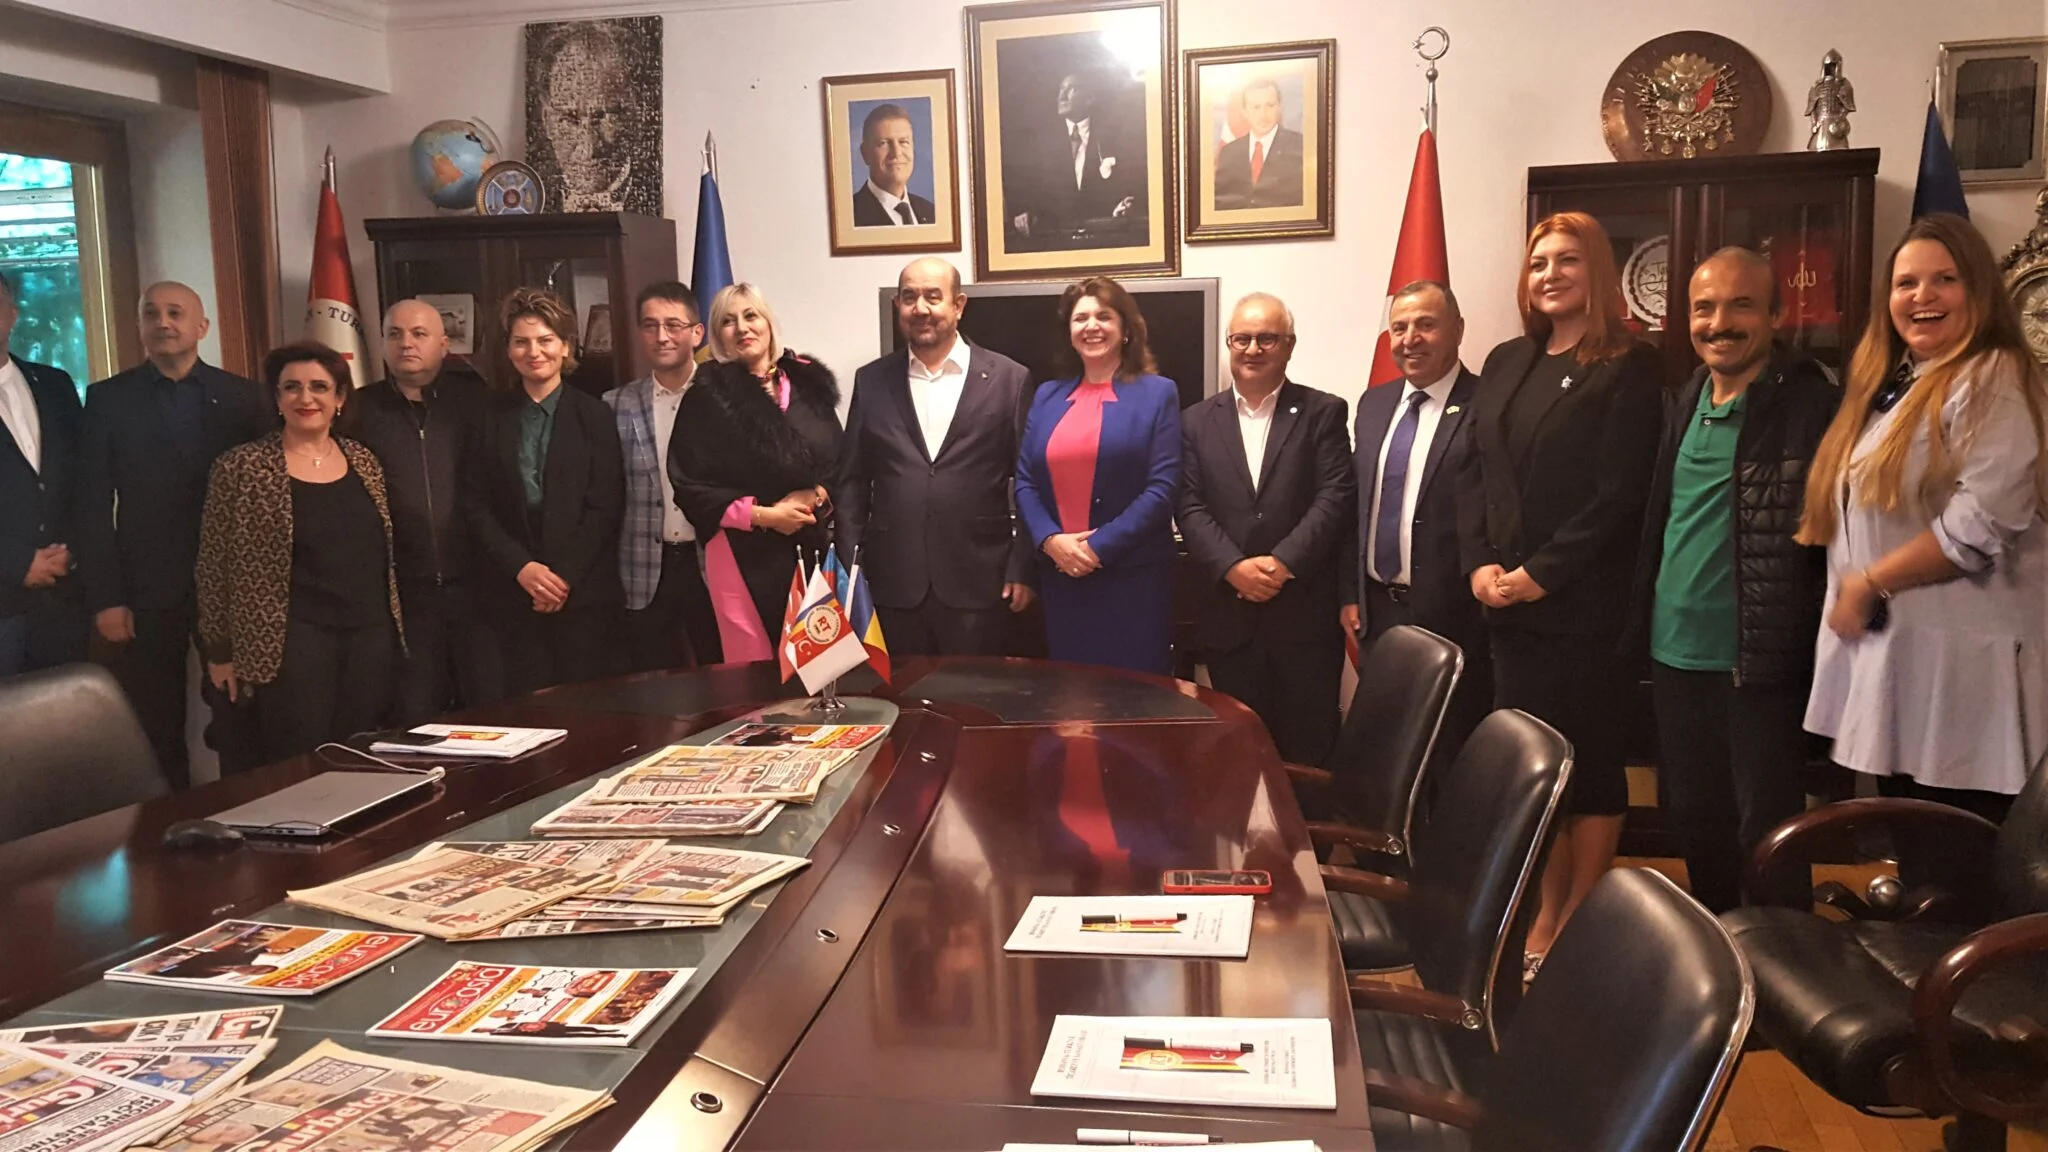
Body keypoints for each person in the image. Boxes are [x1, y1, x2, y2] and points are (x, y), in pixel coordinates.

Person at [1457, 211, 1663, 972]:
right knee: (1537, 766)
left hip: (1583, 609)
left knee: (1592, 763)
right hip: (1508, 609)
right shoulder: (1508, 360)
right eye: (1539, 262)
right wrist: (1480, 565)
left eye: (1568, 260)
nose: (1550, 274)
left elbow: (1619, 495)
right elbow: (1475, 475)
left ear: (1597, 271)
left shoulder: (1629, 366)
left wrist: (1541, 574)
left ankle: (1580, 911)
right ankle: (1544, 906)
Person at [1800, 213, 2048, 826]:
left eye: (1945, 279)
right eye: (1906, 283)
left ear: (1979, 291)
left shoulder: (1994, 375)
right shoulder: (1903, 384)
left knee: (1960, 857)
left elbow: (1982, 523)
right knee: (1918, 851)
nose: (1922, 296)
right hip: (1907, 667)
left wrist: (1869, 582)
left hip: (1966, 681)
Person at [1625, 248, 1839, 914]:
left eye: (1740, 305)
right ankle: (1720, 948)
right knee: (1695, 817)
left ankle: (1785, 961)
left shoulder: (1810, 404)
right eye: (1704, 308)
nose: (1719, 323)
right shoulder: (1686, 397)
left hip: (1758, 657)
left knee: (1770, 835)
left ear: (1776, 314)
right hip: (1674, 652)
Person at [76, 282, 272, 787]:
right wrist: (107, 598)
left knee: (238, 715)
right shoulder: (107, 400)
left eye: (175, 313)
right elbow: (91, 506)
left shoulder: (245, 398)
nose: (163, 322)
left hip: (230, 588)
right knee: (155, 721)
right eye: (152, 313)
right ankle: (167, 822)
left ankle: (244, 810)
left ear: (202, 327)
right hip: (145, 587)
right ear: (139, 326)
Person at [196, 342, 402, 763]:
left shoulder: (364, 461)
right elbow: (212, 566)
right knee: (301, 761)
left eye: (319, 387)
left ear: (340, 398)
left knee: (360, 759)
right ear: (276, 398)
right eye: (291, 387)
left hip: (369, 638)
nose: (305, 397)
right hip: (290, 644)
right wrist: (218, 652)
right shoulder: (241, 467)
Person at [1176, 292, 1352, 763]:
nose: (1253, 349)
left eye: (1267, 339)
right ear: (1229, 345)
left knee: (1309, 750)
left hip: (1303, 617)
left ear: (1289, 345)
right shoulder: (1194, 421)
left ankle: (1306, 818)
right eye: (1242, 339)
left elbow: (1335, 496)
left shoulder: (1323, 412)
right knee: (1239, 752)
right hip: (1228, 618)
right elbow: (1189, 505)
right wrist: (1232, 567)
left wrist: (1283, 562)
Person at [838, 258, 1035, 655]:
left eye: (933, 296)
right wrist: (850, 571)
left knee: (975, 691)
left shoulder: (1010, 379)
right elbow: (851, 482)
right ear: (897, 305)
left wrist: (1024, 567)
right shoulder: (871, 380)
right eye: (909, 297)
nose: (921, 308)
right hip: (893, 582)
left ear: (958, 305)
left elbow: (1032, 484)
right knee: (903, 691)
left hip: (980, 580)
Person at [1340, 280, 1491, 763]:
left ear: (1458, 330)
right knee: (1388, 750)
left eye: (1426, 325)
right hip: (1379, 612)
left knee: (1450, 752)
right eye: (1400, 327)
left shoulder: (1487, 403)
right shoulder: (1373, 403)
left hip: (1454, 613)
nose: (1410, 339)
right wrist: (1350, 593)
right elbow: (1356, 505)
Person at [463, 289, 625, 696]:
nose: (533, 352)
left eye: (545, 340)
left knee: (588, 709)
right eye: (521, 341)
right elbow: (476, 504)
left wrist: (562, 577)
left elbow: (605, 505)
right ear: (509, 350)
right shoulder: (488, 416)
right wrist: (523, 568)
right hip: (511, 590)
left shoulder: (595, 414)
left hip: (582, 593)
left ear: (565, 346)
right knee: (522, 708)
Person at [1015, 277, 1181, 675]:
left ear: (1126, 329)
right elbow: (1024, 480)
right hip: (1062, 579)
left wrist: (1096, 547)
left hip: (1132, 581)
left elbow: (1163, 487)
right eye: (1081, 318)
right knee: (1072, 695)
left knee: (1137, 697)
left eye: (1104, 316)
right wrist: (1050, 541)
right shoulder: (1047, 395)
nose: (1092, 326)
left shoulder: (1159, 393)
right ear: (1069, 332)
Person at [670, 284, 841, 661]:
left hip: (810, 544)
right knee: (755, 669)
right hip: (740, 551)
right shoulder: (705, 398)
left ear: (768, 323)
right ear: (718, 335)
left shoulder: (808, 387)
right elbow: (689, 484)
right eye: (728, 321)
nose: (742, 328)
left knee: (817, 662)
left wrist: (815, 494)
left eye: (751, 316)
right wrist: (765, 516)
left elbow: (839, 463)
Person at [340, 299, 489, 723]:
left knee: (491, 709)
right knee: (416, 715)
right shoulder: (357, 411)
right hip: (402, 593)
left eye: (419, 334)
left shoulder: (476, 403)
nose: (406, 343)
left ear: (444, 344)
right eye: (395, 334)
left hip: (478, 588)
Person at [604, 281, 721, 672]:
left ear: (697, 333)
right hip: (643, 567)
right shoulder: (614, 405)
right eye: (650, 325)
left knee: (724, 678)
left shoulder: (723, 399)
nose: (662, 336)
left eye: (673, 325)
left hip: (711, 562)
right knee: (653, 683)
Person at [0, 270, 86, 676]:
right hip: (3, 603)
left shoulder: (55, 385)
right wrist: (18, 562)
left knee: (67, 712)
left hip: (63, 599)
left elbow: (84, 481)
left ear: (12, 313)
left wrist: (74, 551)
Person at [1006, 70, 1144, 245]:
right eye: (1061, 89)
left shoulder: (1113, 138)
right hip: (1052, 239)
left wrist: (1124, 204)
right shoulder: (1040, 141)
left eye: (1071, 89)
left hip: (1104, 238)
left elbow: (1128, 186)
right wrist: (1023, 212)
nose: (1061, 96)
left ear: (1089, 98)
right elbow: (1027, 187)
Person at [1212, 78, 1305, 210]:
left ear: (1279, 107)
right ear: (1244, 112)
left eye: (1270, 105)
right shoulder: (1229, 152)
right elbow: (1221, 203)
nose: (1263, 115)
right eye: (1256, 107)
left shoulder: (1299, 146)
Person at [851, 104, 937, 228]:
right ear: (865, 153)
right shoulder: (850, 215)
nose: (896, 153)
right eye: (884, 143)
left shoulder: (931, 212)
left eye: (903, 142)